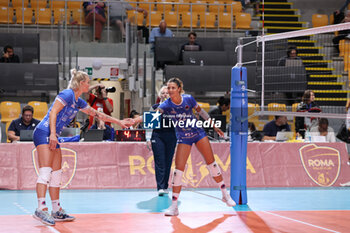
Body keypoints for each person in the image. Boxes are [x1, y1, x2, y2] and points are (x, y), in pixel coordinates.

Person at [32, 69, 133, 226]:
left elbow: (97, 114)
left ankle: (56, 209)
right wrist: (52, 134)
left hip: (53, 134)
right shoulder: (67, 94)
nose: (89, 84)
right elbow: (52, 113)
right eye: (87, 82)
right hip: (44, 132)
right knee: (46, 172)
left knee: (57, 174)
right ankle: (40, 208)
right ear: (80, 83)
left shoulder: (78, 100)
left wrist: (119, 122)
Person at [139, 77, 236, 216]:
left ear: (179, 89)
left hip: (198, 133)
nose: (170, 90)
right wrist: (135, 120)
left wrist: (214, 127)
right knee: (178, 172)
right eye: (168, 88)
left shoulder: (189, 99)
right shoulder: (166, 104)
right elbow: (153, 116)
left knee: (212, 165)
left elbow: (201, 112)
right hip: (184, 138)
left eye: (173, 88)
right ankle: (174, 207)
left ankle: (225, 194)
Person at [147, 86, 177, 196]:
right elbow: (149, 124)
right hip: (157, 136)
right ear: (160, 95)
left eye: (167, 93)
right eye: (163, 93)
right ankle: (160, 187)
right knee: (160, 162)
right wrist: (148, 138)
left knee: (168, 161)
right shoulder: (155, 107)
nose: (165, 95)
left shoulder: (174, 108)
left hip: (171, 136)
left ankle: (165, 186)